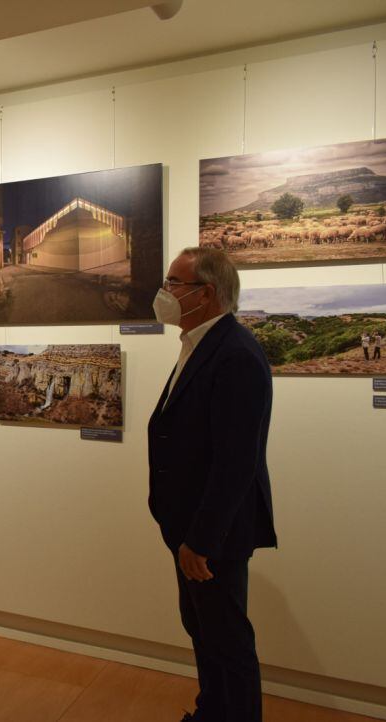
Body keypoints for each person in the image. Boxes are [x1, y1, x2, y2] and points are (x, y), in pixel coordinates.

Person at [147, 247, 277, 722]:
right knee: (203, 630)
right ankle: (212, 711)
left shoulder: (236, 354)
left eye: (174, 283)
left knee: (227, 639)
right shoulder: (201, 344)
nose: (164, 293)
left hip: (213, 534)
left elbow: (235, 463)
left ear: (206, 294)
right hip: (191, 527)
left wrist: (201, 539)